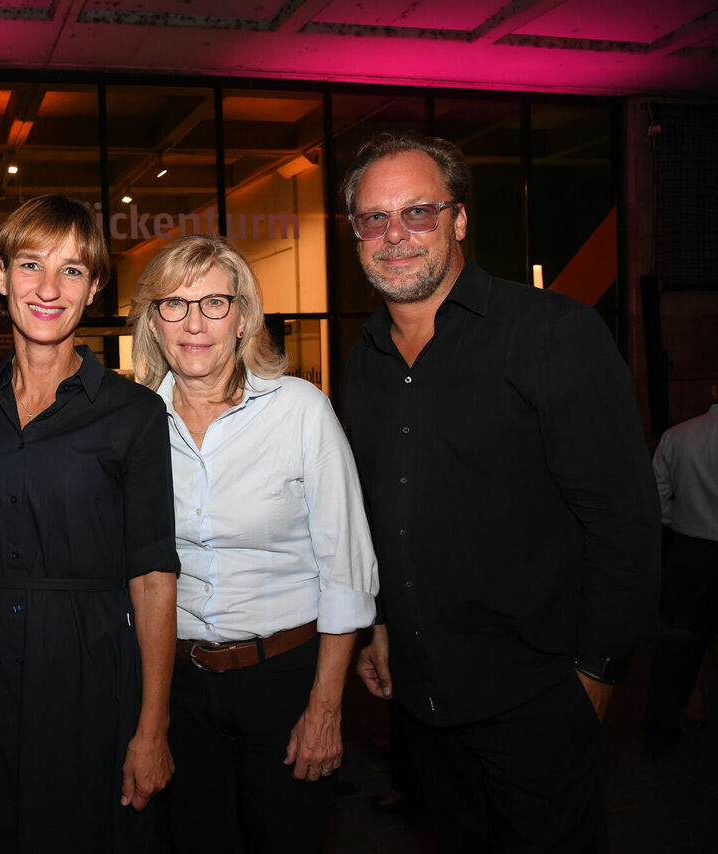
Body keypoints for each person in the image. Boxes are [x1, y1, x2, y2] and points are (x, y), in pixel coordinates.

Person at [342, 132, 659, 852]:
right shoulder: (363, 361)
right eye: (374, 218)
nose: (395, 236)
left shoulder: (553, 334)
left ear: (457, 221)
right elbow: (384, 513)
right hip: (421, 703)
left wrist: (598, 673)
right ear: (356, 235)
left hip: (538, 698)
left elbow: (624, 520)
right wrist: (382, 623)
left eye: (418, 213)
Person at [0, 194, 179, 852]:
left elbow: (154, 578)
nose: (48, 288)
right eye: (29, 264)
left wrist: (152, 727)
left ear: (96, 286)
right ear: (0, 277)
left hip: (88, 675)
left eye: (72, 270)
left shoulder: (131, 414)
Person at [128, 234, 379, 853]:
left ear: (243, 317)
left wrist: (325, 707)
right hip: (176, 686)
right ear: (153, 324)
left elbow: (346, 569)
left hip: (284, 681)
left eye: (214, 303)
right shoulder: (131, 425)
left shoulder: (300, 410)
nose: (194, 323)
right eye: (174, 305)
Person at [643, 384, 718, 753]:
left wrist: (679, 521)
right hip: (691, 544)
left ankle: (659, 734)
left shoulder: (677, 436)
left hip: (691, 551)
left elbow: (655, 499)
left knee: (678, 645)